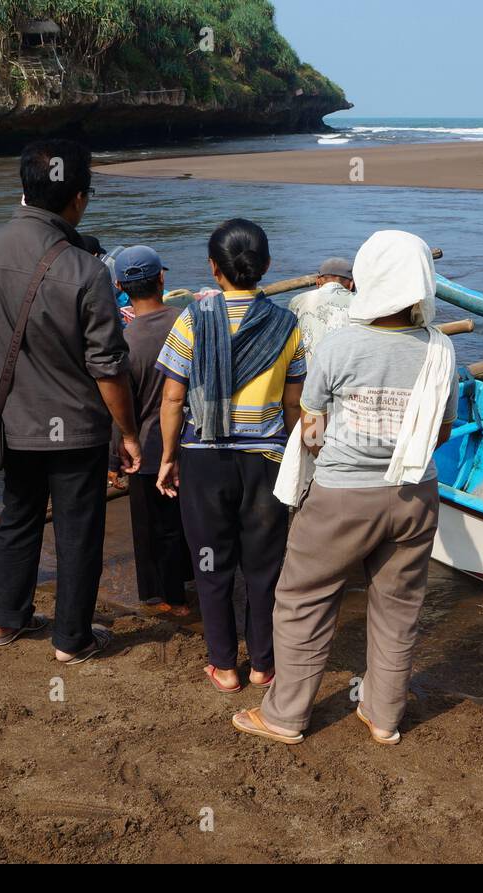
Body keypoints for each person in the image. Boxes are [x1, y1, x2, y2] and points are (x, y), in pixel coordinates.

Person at [232, 230, 457, 746]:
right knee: (399, 606)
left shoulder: (339, 346)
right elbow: (440, 433)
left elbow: (311, 429)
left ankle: (286, 717)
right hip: (415, 497)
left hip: (341, 498)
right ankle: (384, 717)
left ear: (368, 279)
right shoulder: (441, 351)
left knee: (304, 599)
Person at [0, 138, 141, 664]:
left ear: (23, 190)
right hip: (75, 429)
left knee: (18, 515)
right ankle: (71, 640)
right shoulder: (87, 270)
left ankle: (4, 622)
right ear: (79, 199)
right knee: (79, 530)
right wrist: (126, 433)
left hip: (8, 419)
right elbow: (108, 367)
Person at [155, 218, 305, 693]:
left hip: (204, 458)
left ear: (213, 269)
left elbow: (173, 399)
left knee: (209, 563)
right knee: (264, 567)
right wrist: (299, 460)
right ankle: (263, 664)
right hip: (266, 461)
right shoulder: (287, 325)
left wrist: (167, 457)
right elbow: (294, 405)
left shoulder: (191, 319)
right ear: (266, 266)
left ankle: (223, 666)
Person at [110, 244, 193, 613]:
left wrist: (115, 455)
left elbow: (118, 404)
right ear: (162, 278)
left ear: (120, 286)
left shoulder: (124, 341)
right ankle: (189, 587)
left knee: (151, 528)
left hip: (145, 447)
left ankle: (164, 597)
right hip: (192, 443)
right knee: (188, 522)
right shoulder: (189, 323)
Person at [287, 256, 354, 359]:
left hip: (307, 371)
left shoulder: (297, 301)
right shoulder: (360, 302)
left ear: (318, 281)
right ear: (351, 285)